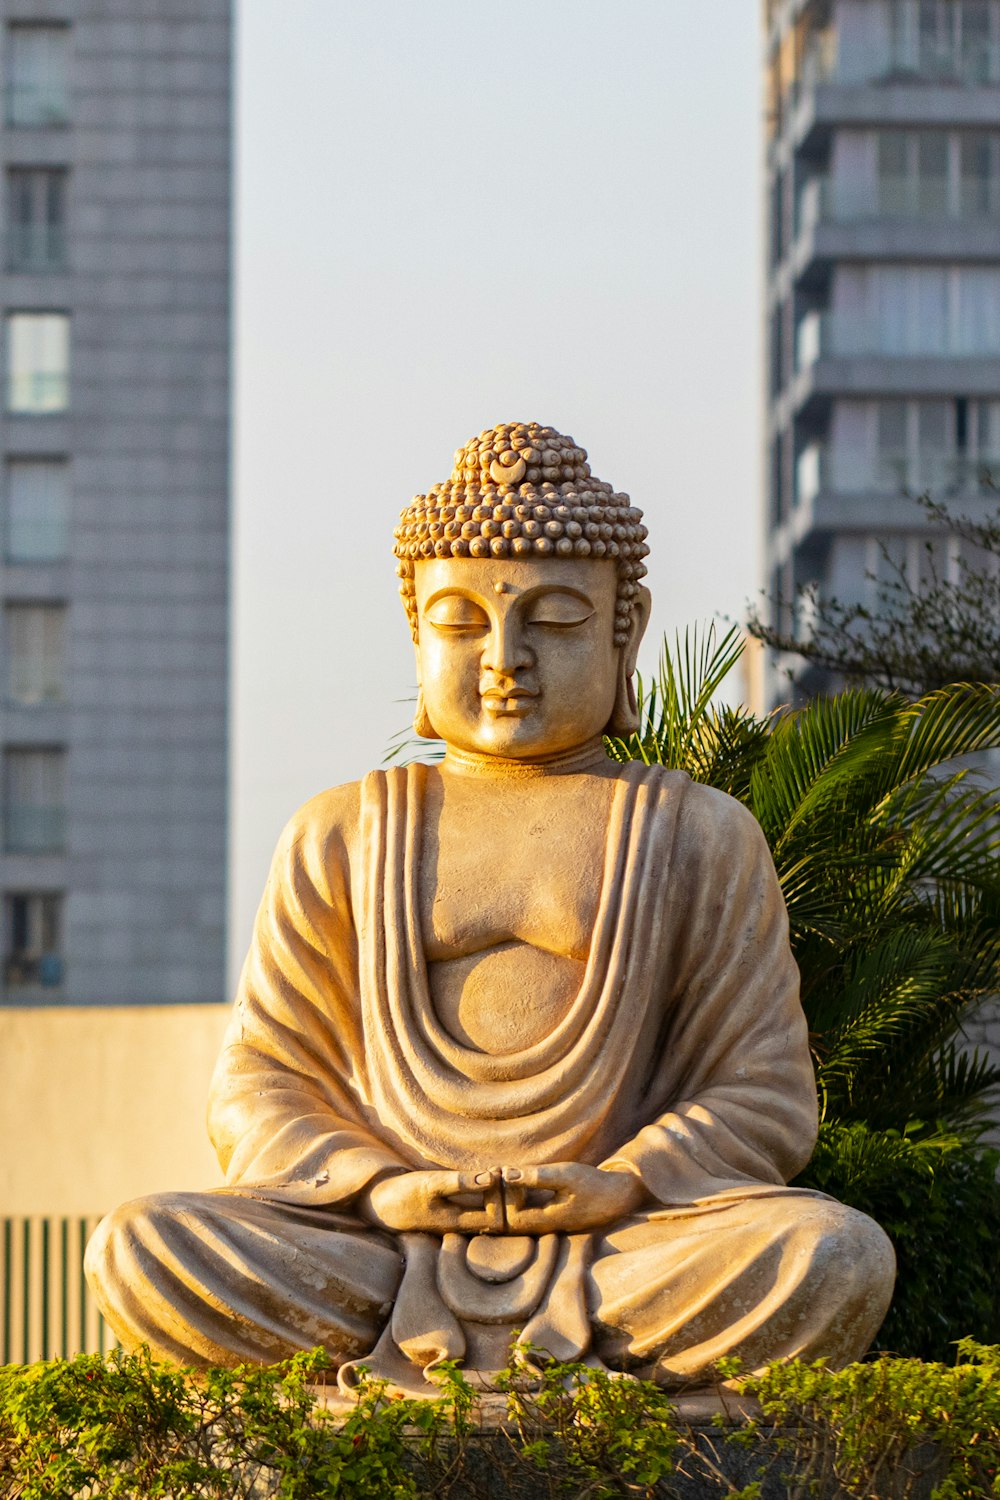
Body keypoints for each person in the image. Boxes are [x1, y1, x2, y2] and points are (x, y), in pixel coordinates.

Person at [86, 422, 895, 1395]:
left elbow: (764, 1091)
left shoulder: (698, 834)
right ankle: (464, 1325)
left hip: (622, 1245)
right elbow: (260, 1082)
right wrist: (385, 1188)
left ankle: (533, 1336)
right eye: (461, 623)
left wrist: (624, 1182)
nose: (504, 658)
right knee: (143, 1245)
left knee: (830, 1255)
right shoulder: (341, 832)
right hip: (376, 1243)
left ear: (621, 631)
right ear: (416, 631)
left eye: (552, 621)